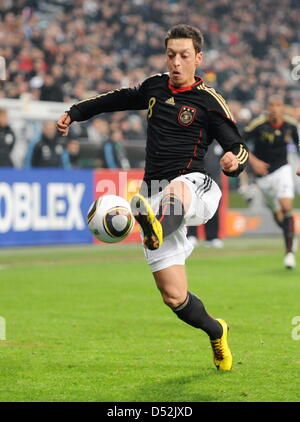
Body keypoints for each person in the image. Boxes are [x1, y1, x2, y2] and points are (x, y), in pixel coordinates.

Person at [57, 24, 249, 371]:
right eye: (171, 54)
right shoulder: (154, 86)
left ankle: (154, 225)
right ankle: (216, 330)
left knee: (176, 191)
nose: (176, 62)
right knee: (174, 297)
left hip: (196, 186)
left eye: (184, 56)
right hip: (152, 195)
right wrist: (77, 111)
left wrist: (233, 163)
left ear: (198, 58)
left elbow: (237, 147)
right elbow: (116, 98)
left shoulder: (209, 101)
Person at [244, 96, 300, 270]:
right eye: (272, 105)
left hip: (282, 169)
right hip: (263, 175)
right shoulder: (258, 125)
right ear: (267, 108)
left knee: (286, 206)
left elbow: (298, 146)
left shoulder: (290, 124)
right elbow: (239, 143)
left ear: (283, 108)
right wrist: (253, 162)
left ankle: (289, 253)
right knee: (278, 215)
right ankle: (290, 235)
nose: (275, 108)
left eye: (278, 105)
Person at [187, 140, 224, 248]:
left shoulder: (218, 142)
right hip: (195, 179)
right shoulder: (195, 141)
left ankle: (212, 237)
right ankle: (192, 235)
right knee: (193, 207)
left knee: (212, 209)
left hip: (213, 181)